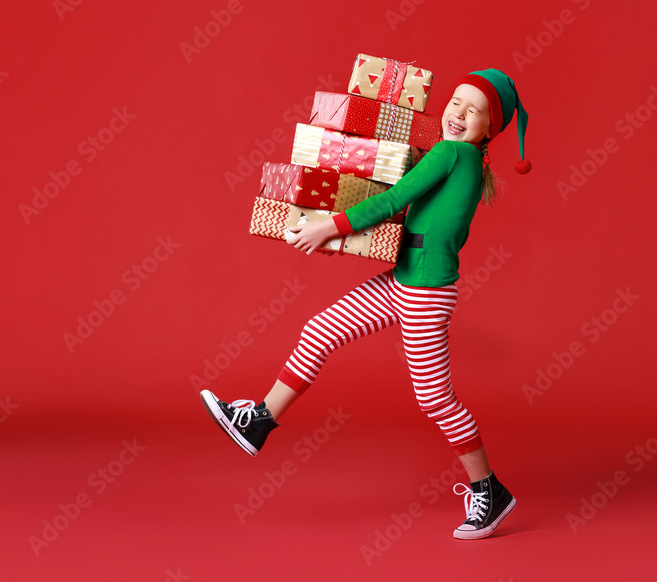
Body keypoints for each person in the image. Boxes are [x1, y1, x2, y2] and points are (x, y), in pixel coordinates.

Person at [201, 68, 531, 540]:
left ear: (488, 129)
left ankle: (489, 490)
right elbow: (408, 201)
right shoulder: (460, 159)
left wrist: (329, 227)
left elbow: (396, 197)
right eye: (455, 101)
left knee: (434, 398)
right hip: (404, 280)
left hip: (424, 293)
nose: (457, 113)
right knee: (321, 328)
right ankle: (259, 421)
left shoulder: (454, 153)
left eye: (473, 110)